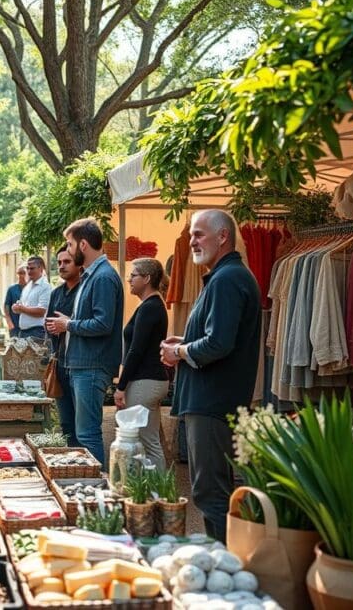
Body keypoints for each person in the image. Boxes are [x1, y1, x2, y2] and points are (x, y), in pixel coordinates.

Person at [160, 209, 261, 543]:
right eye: (191, 235)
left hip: (213, 401)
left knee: (210, 492)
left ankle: (223, 567)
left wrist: (181, 352)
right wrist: (185, 344)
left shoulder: (228, 278)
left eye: (199, 234)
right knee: (214, 490)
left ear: (223, 236)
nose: (192, 241)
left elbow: (219, 343)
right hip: (214, 399)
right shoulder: (225, 276)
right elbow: (217, 337)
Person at [46, 218, 123, 466]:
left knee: (87, 434)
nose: (67, 250)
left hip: (91, 366)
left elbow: (103, 324)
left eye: (69, 245)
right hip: (82, 364)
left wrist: (68, 324)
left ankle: (97, 492)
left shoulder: (102, 277)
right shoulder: (93, 275)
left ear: (83, 245)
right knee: (81, 433)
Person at [114, 257, 169, 472]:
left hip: (146, 381)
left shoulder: (150, 307)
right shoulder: (151, 305)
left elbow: (136, 351)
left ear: (147, 278)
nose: (129, 279)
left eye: (133, 275)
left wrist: (121, 386)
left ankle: (157, 493)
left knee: (144, 440)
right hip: (150, 380)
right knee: (149, 439)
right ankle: (154, 490)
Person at [46, 245, 82, 446]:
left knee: (83, 424)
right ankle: (70, 462)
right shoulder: (56, 293)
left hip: (80, 363)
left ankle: (88, 466)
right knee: (66, 422)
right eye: (59, 262)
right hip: (60, 361)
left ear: (78, 263)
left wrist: (67, 325)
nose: (61, 266)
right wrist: (52, 327)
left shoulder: (85, 289)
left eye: (66, 262)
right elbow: (49, 321)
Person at [12, 256, 52, 340]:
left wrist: (22, 308)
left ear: (40, 268)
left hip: (37, 332)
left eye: (32, 268)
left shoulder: (45, 286)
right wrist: (16, 307)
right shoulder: (28, 286)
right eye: (28, 268)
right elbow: (23, 307)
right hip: (23, 332)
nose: (29, 271)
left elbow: (42, 311)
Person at [3, 265, 27, 337]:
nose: (20, 275)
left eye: (23, 273)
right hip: (14, 326)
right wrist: (9, 322)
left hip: (27, 327)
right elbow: (7, 306)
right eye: (19, 273)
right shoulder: (12, 289)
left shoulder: (31, 288)